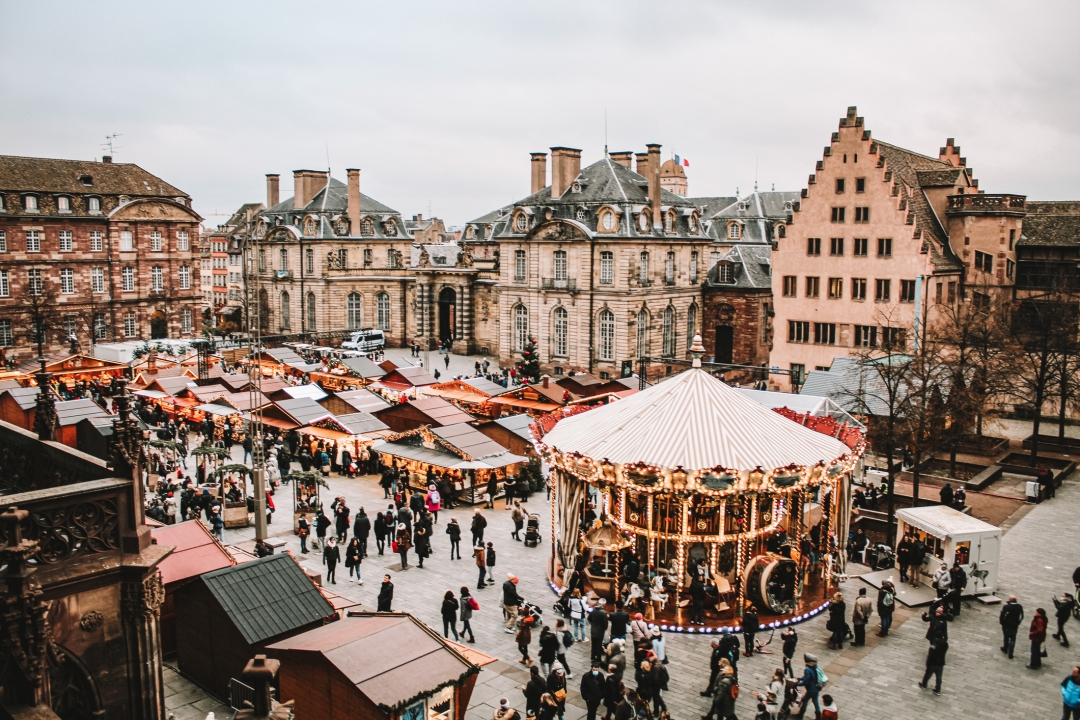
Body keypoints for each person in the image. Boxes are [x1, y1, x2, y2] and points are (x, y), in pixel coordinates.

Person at [919, 629, 948, 696]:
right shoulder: (945, 644)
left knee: (927, 674)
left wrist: (927, 663)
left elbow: (930, 655)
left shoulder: (934, 645)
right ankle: (938, 689)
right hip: (941, 663)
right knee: (939, 677)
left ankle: (924, 684)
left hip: (933, 663)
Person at [795, 653, 822, 719]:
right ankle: (818, 717)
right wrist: (801, 678)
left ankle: (800, 715)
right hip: (817, 688)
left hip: (811, 689)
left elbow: (805, 681)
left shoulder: (807, 669)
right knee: (815, 701)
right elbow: (807, 677)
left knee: (805, 701)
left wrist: (797, 684)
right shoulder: (815, 666)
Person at [1000, 595, 1024, 659]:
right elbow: (1021, 616)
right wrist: (1018, 623)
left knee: (1006, 637)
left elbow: (1003, 615)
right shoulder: (1019, 607)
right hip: (1014, 625)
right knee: (1013, 639)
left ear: (1010, 600)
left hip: (1007, 625)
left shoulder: (1007, 607)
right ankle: (1011, 653)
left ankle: (1005, 648)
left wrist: (1002, 622)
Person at [589, 600, 609, 665]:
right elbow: (605, 624)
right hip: (600, 631)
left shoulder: (593, 610)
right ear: (604, 604)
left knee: (593, 644)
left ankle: (592, 656)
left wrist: (593, 624)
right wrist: (604, 628)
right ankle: (598, 659)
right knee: (598, 645)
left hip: (593, 630)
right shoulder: (603, 613)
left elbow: (589, 618)